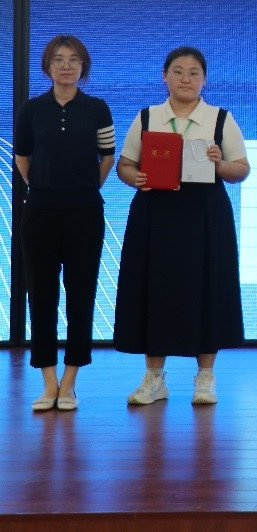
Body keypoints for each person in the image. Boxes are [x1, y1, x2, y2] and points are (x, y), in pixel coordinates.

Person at [114, 46, 249, 405]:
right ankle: (154, 378)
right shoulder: (148, 116)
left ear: (204, 79)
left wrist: (220, 164)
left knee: (207, 288)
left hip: (205, 215)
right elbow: (124, 164)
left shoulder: (220, 118)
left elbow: (241, 170)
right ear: (165, 76)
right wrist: (135, 177)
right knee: (154, 288)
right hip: (156, 212)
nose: (185, 79)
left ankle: (205, 377)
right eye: (178, 71)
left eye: (193, 73)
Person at [14, 35, 115, 411]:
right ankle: (48, 383)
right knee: (41, 295)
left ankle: (70, 383)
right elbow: (23, 158)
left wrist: (83, 188)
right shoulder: (31, 109)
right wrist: (44, 187)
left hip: (85, 212)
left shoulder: (97, 108)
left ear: (83, 66)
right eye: (58, 59)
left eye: (74, 60)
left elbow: (107, 157)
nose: (66, 66)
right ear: (48, 66)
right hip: (39, 211)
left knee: (81, 294)